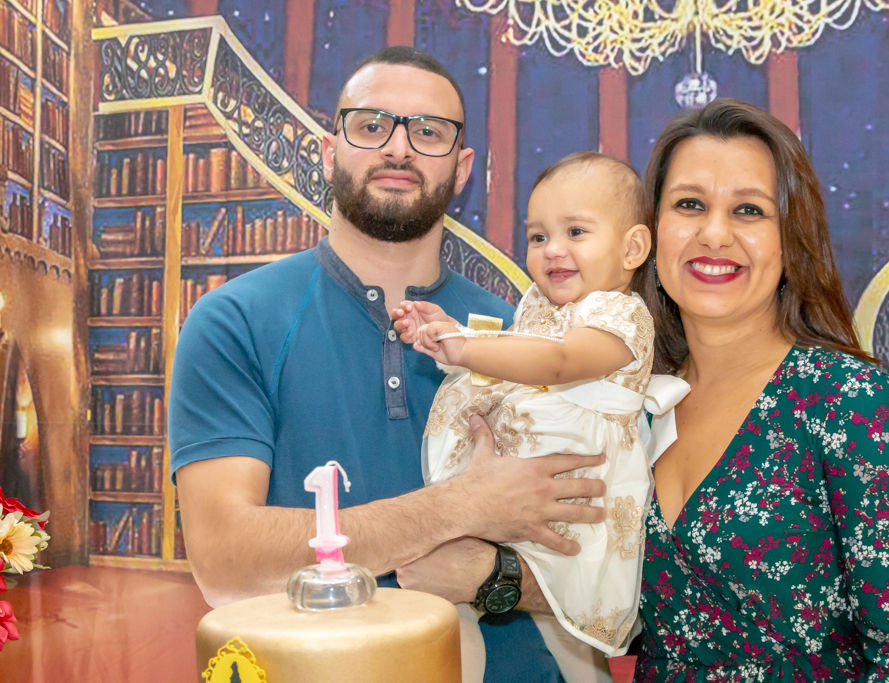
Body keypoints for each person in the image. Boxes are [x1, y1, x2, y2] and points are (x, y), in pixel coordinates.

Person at [169, 46, 609, 683]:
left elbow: (605, 570)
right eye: (372, 125)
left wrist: (497, 577)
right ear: (329, 151)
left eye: (428, 132)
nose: (399, 148)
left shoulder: (532, 339)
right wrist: (456, 508)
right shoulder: (233, 321)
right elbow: (226, 563)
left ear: (462, 169)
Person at [630, 98, 889, 681]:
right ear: (649, 231)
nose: (714, 233)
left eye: (749, 210)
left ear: (789, 238)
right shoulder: (632, 399)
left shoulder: (849, 399)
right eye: (689, 204)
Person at [394, 152, 688, 682]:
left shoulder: (620, 316)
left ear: (632, 248)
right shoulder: (540, 306)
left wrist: (466, 347)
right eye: (537, 236)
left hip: (576, 502)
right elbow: (513, 354)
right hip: (512, 495)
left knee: (571, 637)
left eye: (575, 231)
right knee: (451, 616)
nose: (553, 249)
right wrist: (451, 332)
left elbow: (558, 361)